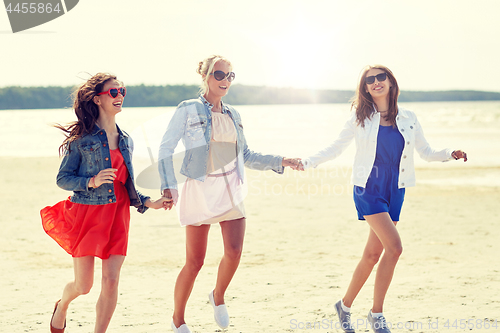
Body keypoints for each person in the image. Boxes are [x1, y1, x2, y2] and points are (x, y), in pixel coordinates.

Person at [299, 65, 467, 333]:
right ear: (365, 87)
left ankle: (343, 306)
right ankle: (376, 314)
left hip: (396, 188)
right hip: (369, 188)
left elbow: (425, 151)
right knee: (395, 247)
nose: (376, 82)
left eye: (381, 77)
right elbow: (335, 148)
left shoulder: (409, 117)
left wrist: (450, 153)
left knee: (372, 255)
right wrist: (307, 161)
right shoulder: (360, 118)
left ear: (390, 82)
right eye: (370, 80)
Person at [158, 55, 300, 333]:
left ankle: (218, 295)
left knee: (234, 252)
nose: (225, 81)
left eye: (230, 76)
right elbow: (166, 148)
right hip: (199, 188)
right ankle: (178, 318)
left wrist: (281, 160)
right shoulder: (188, 109)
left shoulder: (234, 114)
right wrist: (168, 185)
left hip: (230, 188)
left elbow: (246, 155)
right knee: (195, 262)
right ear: (206, 76)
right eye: (219, 75)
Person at [40, 73, 170, 333]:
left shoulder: (126, 140)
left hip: (118, 214)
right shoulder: (82, 140)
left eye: (122, 91)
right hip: (89, 214)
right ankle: (62, 305)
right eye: (113, 92)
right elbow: (63, 179)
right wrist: (92, 180)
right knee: (83, 286)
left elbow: (126, 182)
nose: (119, 95)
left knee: (111, 281)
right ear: (98, 99)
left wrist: (149, 202)